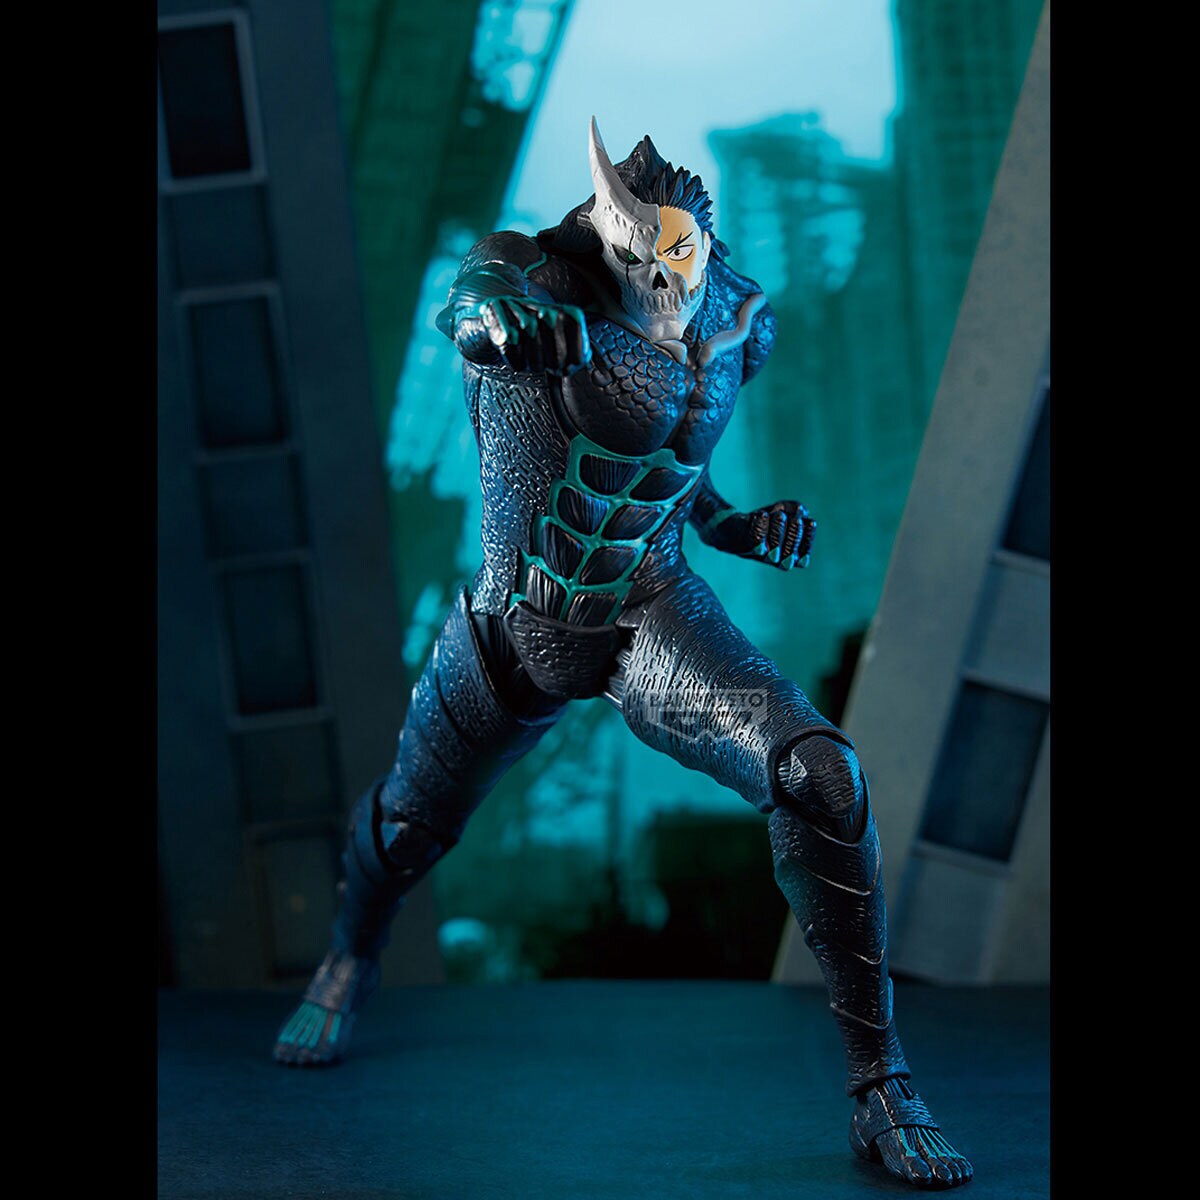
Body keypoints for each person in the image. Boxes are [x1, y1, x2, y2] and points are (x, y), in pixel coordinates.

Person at [274, 118, 973, 1189]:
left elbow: (677, 473)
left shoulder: (739, 319)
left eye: (670, 254)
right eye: (628, 249)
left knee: (820, 775)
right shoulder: (534, 271)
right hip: (517, 619)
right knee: (409, 825)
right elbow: (473, 308)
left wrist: (737, 527)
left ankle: (882, 1084)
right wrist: (503, 324)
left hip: (652, 613)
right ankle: (347, 955)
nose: (651, 277)